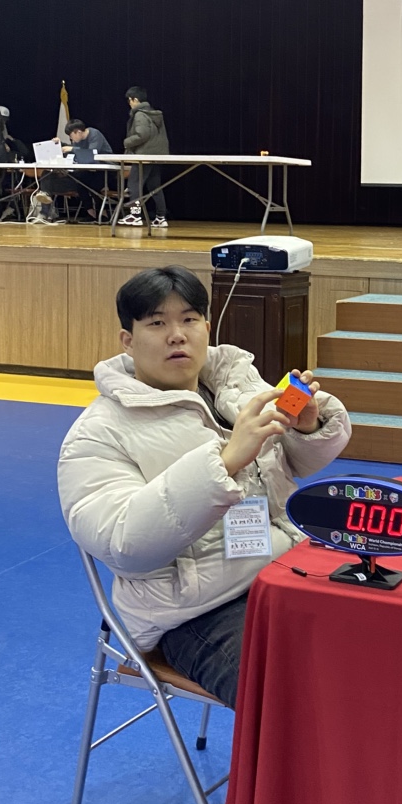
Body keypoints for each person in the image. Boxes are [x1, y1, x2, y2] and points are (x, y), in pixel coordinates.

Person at [58, 265, 351, 707]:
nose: (177, 335)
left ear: (207, 328)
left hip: (284, 569)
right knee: (301, 696)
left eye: (189, 319)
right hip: (194, 612)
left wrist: (306, 428)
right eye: (157, 323)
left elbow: (295, 464)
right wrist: (226, 461)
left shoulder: (236, 388)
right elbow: (125, 543)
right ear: (128, 340)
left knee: (386, 640)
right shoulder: (97, 434)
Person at [35, 118, 114, 223]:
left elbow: (91, 153)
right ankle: (45, 202)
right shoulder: (78, 141)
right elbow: (76, 153)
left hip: (104, 170)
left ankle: (100, 213)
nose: (70, 138)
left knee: (86, 183)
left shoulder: (95, 134)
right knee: (48, 174)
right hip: (85, 171)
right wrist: (59, 144)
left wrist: (72, 149)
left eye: (71, 135)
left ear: (78, 132)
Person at [121, 86, 169, 230]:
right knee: (155, 186)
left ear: (135, 100)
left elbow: (142, 134)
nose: (129, 104)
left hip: (144, 155)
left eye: (130, 101)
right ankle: (161, 217)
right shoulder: (154, 114)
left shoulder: (140, 115)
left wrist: (127, 142)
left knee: (134, 184)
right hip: (157, 155)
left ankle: (135, 216)